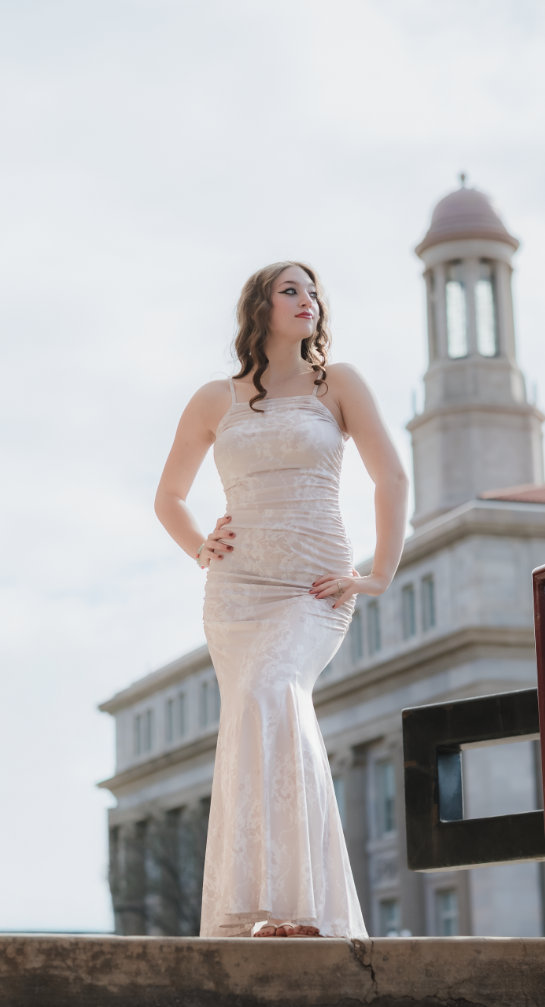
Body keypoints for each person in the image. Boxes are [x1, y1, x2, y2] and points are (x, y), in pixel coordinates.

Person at [154, 261, 409, 938]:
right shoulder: (216, 398)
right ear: (259, 307)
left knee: (274, 693)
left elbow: (392, 477)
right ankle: (259, 910)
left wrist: (380, 573)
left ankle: (298, 906)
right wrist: (199, 545)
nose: (308, 301)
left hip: (314, 587)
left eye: (313, 291)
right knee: (252, 712)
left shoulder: (339, 384)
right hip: (236, 596)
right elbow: (168, 497)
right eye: (290, 290)